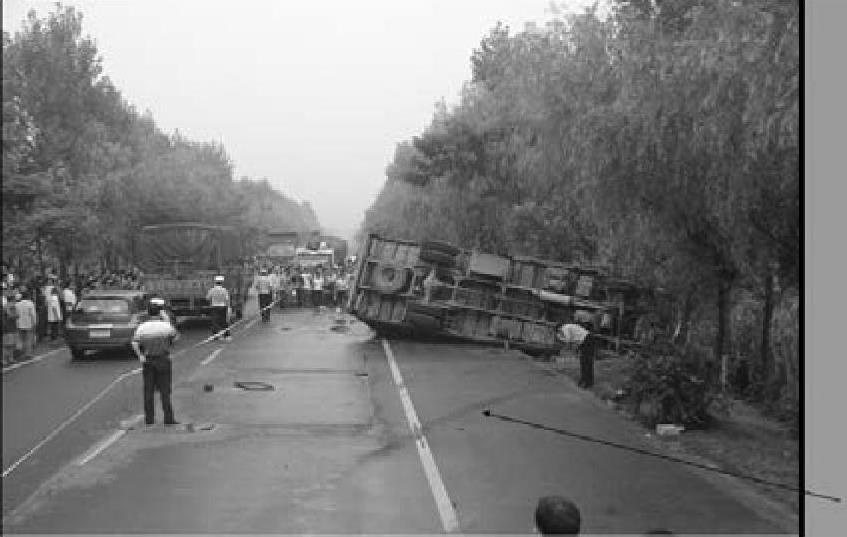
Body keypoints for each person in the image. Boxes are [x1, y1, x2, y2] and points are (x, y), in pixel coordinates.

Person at [131, 298, 179, 425]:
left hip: (148, 360)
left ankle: (149, 419)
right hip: (163, 359)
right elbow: (175, 337)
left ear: (148, 313)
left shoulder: (142, 327)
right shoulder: (165, 326)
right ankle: (168, 418)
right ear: (160, 312)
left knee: (148, 391)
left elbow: (135, 342)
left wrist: (140, 356)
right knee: (165, 391)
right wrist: (167, 321)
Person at [556, 322, 595, 388]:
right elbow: (572, 341)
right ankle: (585, 380)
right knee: (584, 361)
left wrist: (561, 339)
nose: (560, 333)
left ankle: (587, 382)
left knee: (586, 361)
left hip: (587, 339)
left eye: (559, 331)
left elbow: (568, 340)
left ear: (560, 328)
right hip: (585, 340)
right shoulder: (567, 327)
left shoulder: (565, 328)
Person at [206, 275, 232, 341]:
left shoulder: (212, 290)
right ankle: (227, 335)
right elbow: (227, 299)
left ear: (215, 282)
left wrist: (212, 300)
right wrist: (229, 307)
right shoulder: (224, 290)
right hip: (223, 307)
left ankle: (217, 336)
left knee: (215, 322)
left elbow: (207, 298)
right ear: (222, 282)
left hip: (214, 307)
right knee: (224, 321)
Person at [14, 291, 37, 359]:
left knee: (20, 339)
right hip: (28, 323)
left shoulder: (17, 304)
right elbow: (33, 315)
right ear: (28, 296)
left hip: (19, 323)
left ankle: (19, 352)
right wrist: (34, 323)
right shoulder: (30, 303)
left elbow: (16, 315)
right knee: (28, 339)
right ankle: (28, 354)